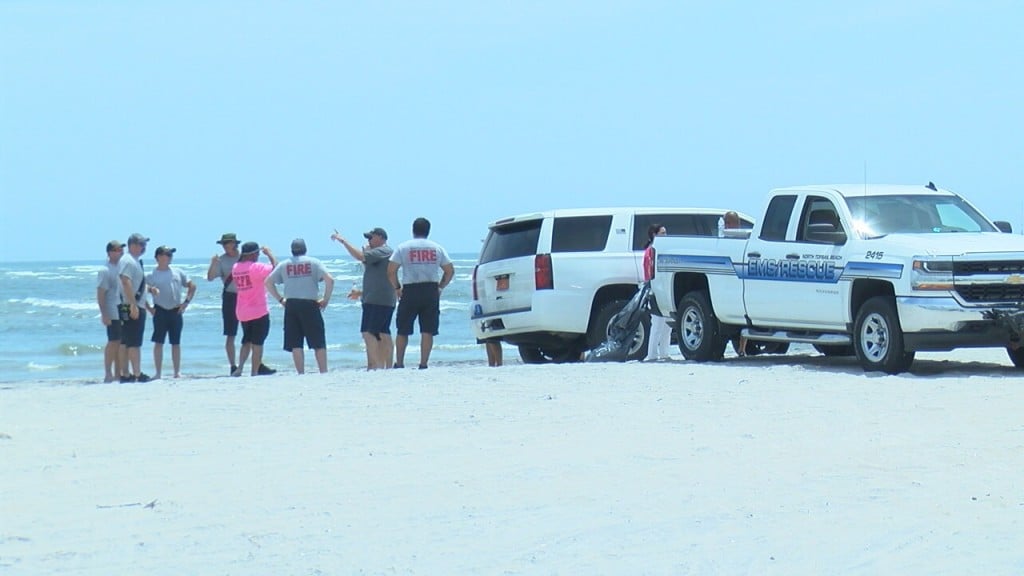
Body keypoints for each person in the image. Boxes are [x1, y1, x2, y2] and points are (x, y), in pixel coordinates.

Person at [387, 217, 455, 369]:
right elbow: (449, 271)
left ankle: (399, 362)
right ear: (428, 231)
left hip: (410, 289)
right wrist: (441, 287)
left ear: (413, 230)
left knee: (403, 329)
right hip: (430, 289)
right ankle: (423, 363)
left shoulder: (403, 247)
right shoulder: (436, 248)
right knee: (428, 329)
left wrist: (397, 287)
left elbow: (391, 270)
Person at [265, 238, 335, 374]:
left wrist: (280, 299)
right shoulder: (314, 262)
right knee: (318, 341)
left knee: (295, 342)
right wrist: (325, 299)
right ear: (305, 249)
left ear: (291, 250)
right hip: (310, 303)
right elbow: (330, 280)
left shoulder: (285, 264)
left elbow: (268, 282)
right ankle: (323, 371)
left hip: (291, 304)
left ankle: (301, 373)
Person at [331, 227, 396, 370]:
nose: (369, 241)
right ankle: (382, 366)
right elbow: (377, 279)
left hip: (378, 300)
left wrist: (343, 241)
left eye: (371, 238)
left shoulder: (383, 251)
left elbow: (361, 256)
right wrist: (360, 293)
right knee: (382, 333)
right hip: (377, 297)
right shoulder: (379, 255)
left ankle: (375, 365)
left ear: (380, 237)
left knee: (369, 333)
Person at [146, 246, 196, 379]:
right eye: (167, 254)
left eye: (170, 255)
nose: (169, 257)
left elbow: (192, 285)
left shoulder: (177, 272)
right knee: (158, 342)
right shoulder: (152, 275)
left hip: (175, 310)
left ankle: (177, 372)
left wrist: (186, 303)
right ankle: (158, 373)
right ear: (158, 257)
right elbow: (140, 291)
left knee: (176, 343)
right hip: (160, 310)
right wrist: (149, 308)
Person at [231, 241, 278, 376]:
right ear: (252, 254)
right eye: (257, 253)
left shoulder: (236, 267)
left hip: (243, 311)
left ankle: (240, 368)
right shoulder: (256, 267)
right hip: (258, 310)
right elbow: (275, 268)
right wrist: (270, 254)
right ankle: (254, 370)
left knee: (246, 341)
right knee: (258, 343)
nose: (258, 255)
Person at [118, 233, 152, 383]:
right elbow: (125, 282)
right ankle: (136, 373)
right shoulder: (128, 261)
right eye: (141, 244)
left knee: (126, 341)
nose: (144, 248)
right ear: (132, 245)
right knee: (134, 342)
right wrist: (133, 305)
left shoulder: (134, 261)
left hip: (130, 304)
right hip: (130, 305)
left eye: (144, 245)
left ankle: (125, 373)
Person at [207, 233, 242, 375]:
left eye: (228, 243)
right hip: (230, 297)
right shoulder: (221, 261)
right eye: (224, 244)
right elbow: (210, 277)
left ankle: (257, 362)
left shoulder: (244, 257)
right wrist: (213, 264)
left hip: (246, 297)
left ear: (235, 243)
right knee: (230, 334)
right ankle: (233, 365)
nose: (226, 246)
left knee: (251, 332)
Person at [96, 240, 126, 382]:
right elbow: (101, 293)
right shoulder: (105, 270)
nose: (120, 252)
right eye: (117, 250)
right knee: (113, 341)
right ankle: (108, 372)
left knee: (122, 342)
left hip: (123, 309)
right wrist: (104, 313)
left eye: (121, 249)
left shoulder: (122, 268)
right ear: (110, 252)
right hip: (112, 310)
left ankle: (118, 373)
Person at [643, 223, 672, 361]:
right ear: (654, 235)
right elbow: (649, 272)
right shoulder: (651, 251)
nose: (665, 236)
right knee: (657, 324)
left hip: (665, 289)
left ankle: (664, 353)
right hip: (656, 289)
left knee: (667, 324)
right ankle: (652, 354)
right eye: (662, 233)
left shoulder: (661, 250)